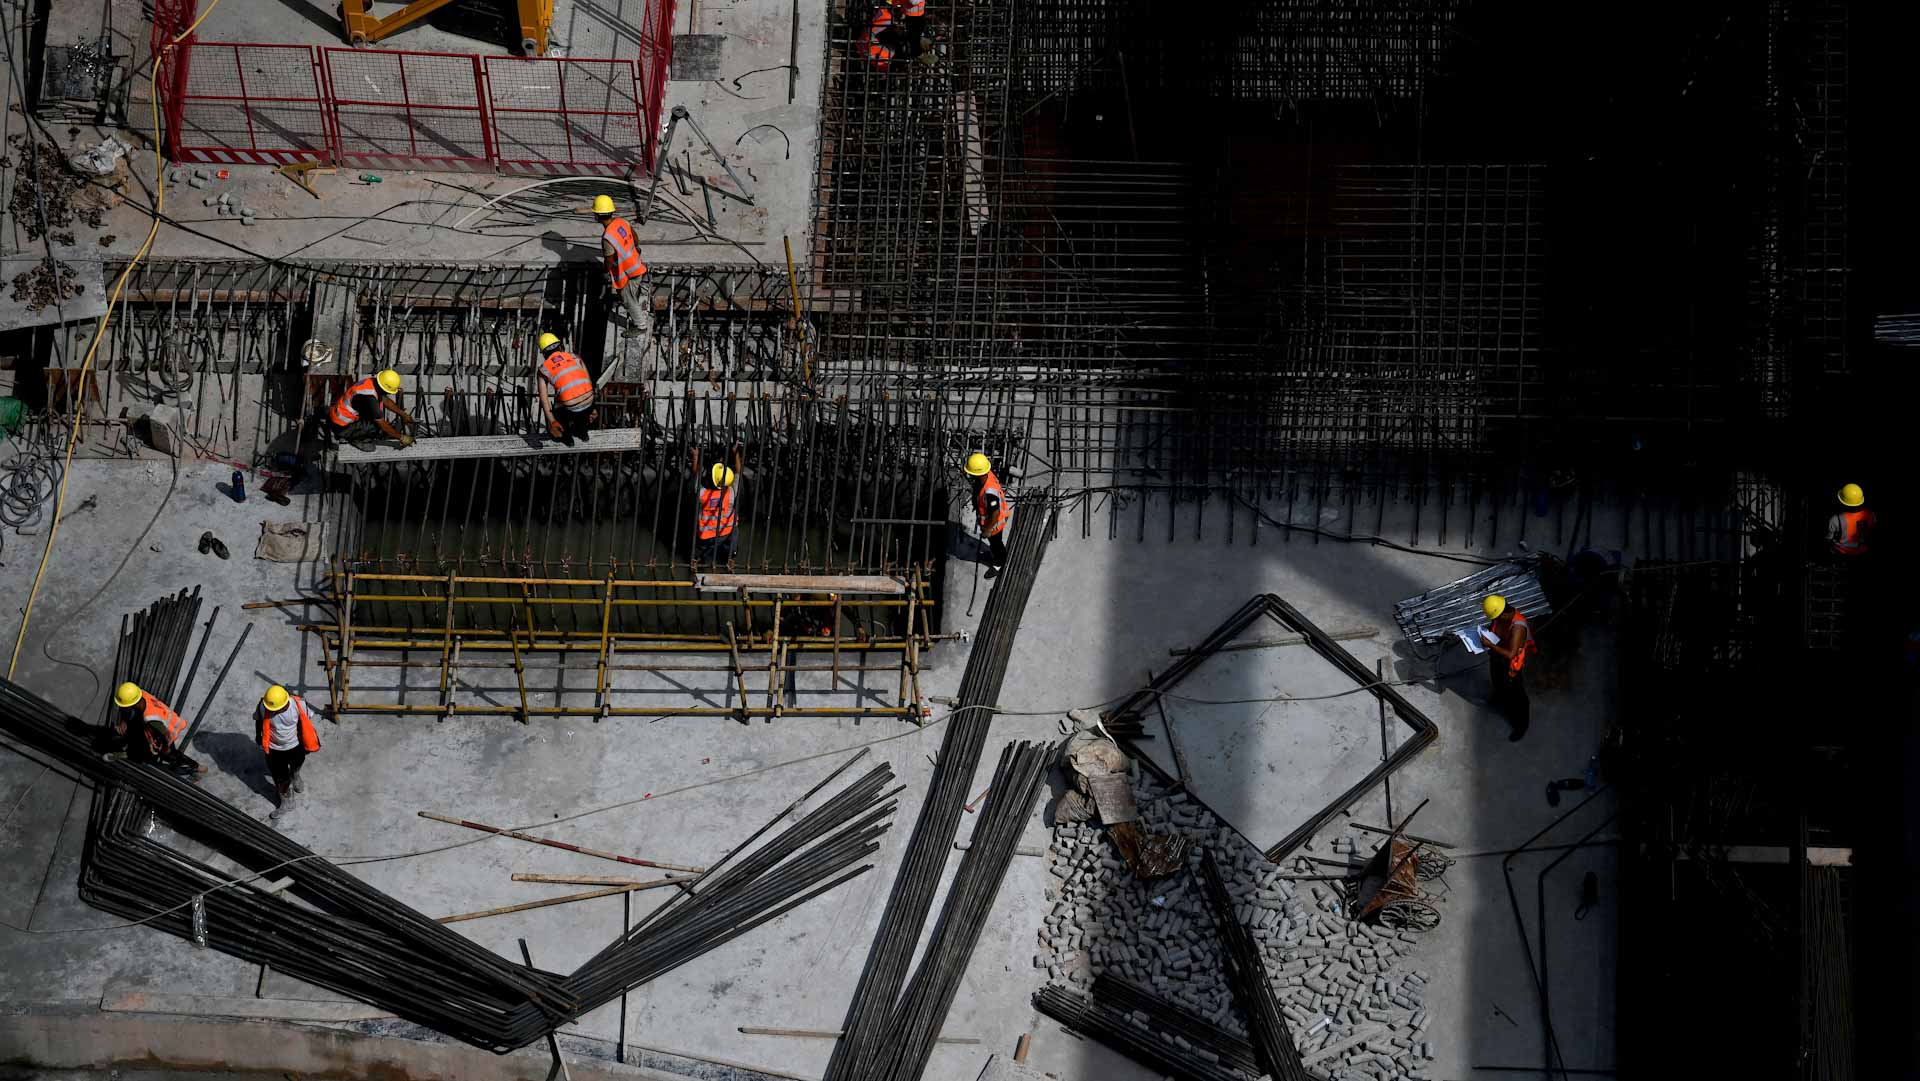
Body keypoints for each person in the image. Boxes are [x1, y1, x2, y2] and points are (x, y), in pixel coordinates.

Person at [108, 682, 200, 779]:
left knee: (169, 755)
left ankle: (194, 768)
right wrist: (124, 721)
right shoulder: (140, 694)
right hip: (156, 727)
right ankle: (132, 753)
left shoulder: (150, 719)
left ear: (132, 704)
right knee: (141, 743)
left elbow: (166, 734)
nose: (122, 707)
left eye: (124, 705)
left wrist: (165, 748)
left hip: (166, 732)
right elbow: (126, 709)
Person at [255, 685, 320, 820]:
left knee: (297, 763)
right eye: (273, 709)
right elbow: (259, 720)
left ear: (286, 702)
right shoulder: (263, 706)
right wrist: (258, 736)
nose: (275, 712)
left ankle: (295, 775)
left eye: (278, 709)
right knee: (280, 778)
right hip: (274, 750)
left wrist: (306, 742)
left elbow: (306, 721)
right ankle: (287, 802)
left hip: (295, 746)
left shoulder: (299, 704)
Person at [310, 369, 414, 449]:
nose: (388, 394)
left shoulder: (371, 382)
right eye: (388, 391)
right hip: (341, 427)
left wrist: (403, 414)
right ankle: (354, 439)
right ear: (383, 388)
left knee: (375, 418)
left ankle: (351, 432)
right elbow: (383, 425)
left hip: (337, 414)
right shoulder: (369, 399)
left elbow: (385, 400)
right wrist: (401, 438)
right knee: (375, 427)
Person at [1480, 594, 1536, 742]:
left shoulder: (1518, 627)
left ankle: (1521, 725)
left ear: (1504, 614)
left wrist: (1490, 645)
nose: (1495, 621)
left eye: (1497, 618)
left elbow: (1511, 654)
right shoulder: (1500, 617)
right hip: (1498, 659)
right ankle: (1499, 696)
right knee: (1497, 681)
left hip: (1511, 667)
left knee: (1518, 698)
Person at [594, 194, 651, 338]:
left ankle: (640, 326)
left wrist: (605, 272)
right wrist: (634, 248)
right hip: (636, 265)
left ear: (597, 216)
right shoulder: (621, 222)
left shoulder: (607, 238)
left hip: (628, 274)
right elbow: (635, 237)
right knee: (628, 296)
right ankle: (635, 307)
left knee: (629, 301)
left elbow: (608, 260)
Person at [535, 333, 597, 447]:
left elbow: (544, 400)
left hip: (571, 406)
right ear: (560, 346)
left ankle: (567, 438)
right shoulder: (575, 357)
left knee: (560, 406)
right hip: (590, 401)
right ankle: (582, 433)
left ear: (544, 353)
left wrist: (552, 421)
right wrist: (592, 408)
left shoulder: (543, 369)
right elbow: (588, 382)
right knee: (570, 400)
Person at [691, 444, 743, 567]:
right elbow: (738, 473)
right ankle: (731, 557)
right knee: (735, 528)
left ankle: (698, 558)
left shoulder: (703, 494)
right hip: (726, 534)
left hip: (706, 537)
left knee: (699, 541)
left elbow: (696, 475)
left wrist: (696, 457)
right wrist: (735, 454)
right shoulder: (730, 494)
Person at [962, 452, 1009, 578]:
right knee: (994, 543)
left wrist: (988, 530)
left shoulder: (990, 491)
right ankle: (994, 555)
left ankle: (999, 563)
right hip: (989, 521)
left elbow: (995, 512)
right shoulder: (986, 475)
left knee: (996, 543)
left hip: (994, 524)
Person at [1828, 483, 1875, 557]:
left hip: (1841, 553)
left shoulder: (1835, 518)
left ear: (1842, 502)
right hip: (1863, 552)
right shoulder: (1871, 515)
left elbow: (1829, 539)